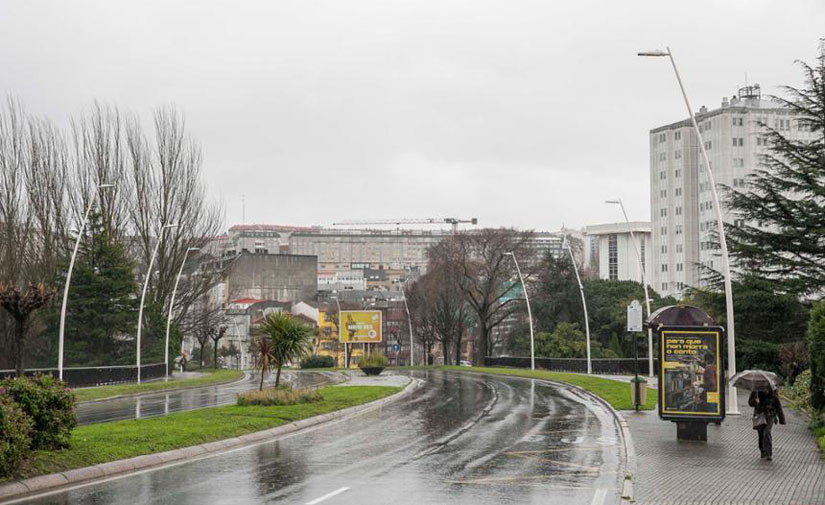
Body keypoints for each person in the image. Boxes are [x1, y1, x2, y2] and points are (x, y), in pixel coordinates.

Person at [748, 389, 786, 460]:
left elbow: (778, 405)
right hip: (760, 415)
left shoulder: (773, 392)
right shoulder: (756, 391)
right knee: (761, 434)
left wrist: (781, 418)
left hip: (770, 415)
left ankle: (768, 453)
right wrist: (755, 402)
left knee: (767, 432)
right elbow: (750, 402)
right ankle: (762, 450)